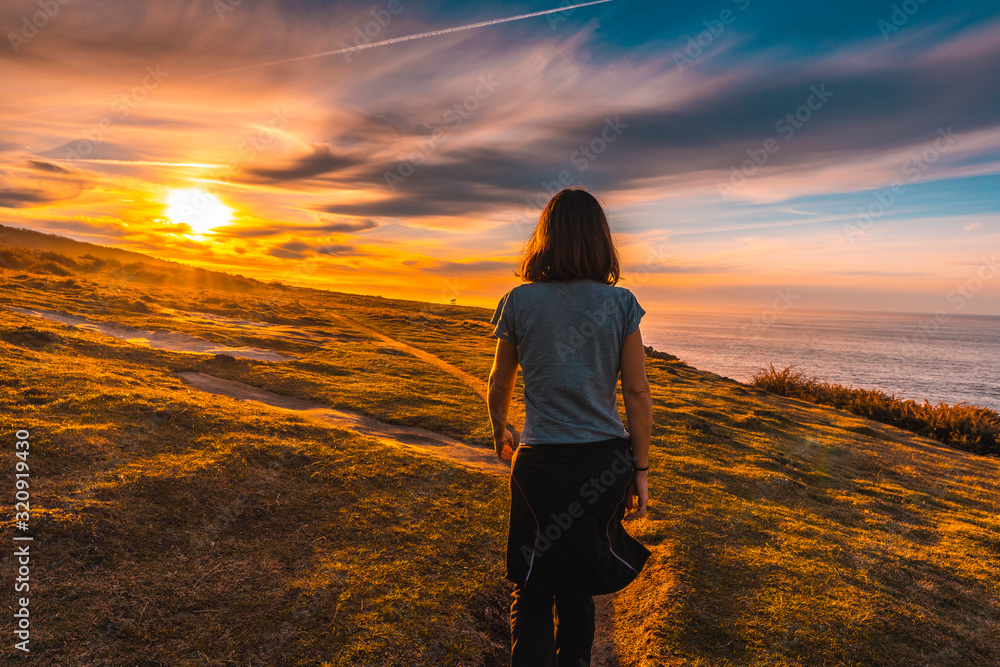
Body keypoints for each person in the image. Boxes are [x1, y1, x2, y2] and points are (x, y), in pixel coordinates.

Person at [487, 187, 653, 666]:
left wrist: (500, 428)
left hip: (540, 463)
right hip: (603, 464)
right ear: (601, 240)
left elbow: (500, 382)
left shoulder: (519, 302)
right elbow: (637, 394)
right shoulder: (621, 305)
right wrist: (640, 469)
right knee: (580, 579)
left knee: (533, 582)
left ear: (546, 239)